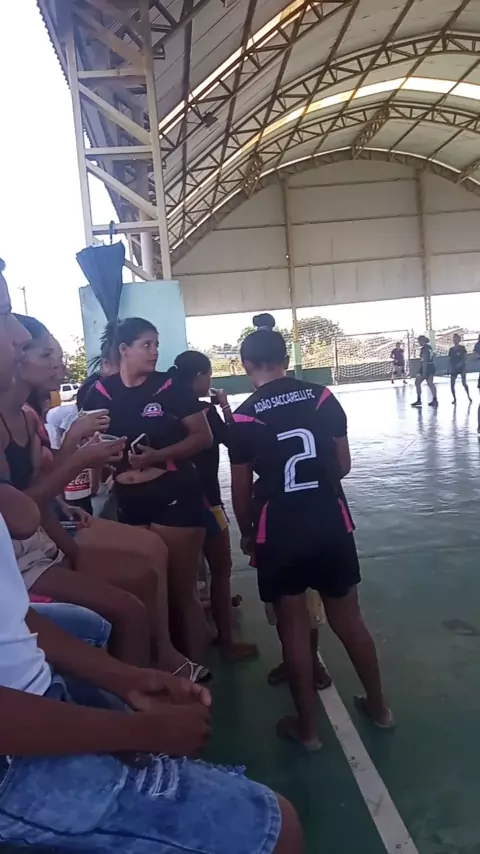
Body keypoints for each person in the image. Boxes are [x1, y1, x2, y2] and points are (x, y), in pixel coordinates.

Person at [0, 509, 302, 854]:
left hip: (36, 695)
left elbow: (12, 615)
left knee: (93, 627)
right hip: (11, 764)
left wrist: (126, 678)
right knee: (276, 828)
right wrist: (139, 731)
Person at [1, 312, 200, 677]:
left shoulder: (28, 419)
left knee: (149, 560)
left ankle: (160, 657)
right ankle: (142, 681)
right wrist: (80, 455)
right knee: (132, 599)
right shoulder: (26, 415)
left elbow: (38, 494)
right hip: (20, 556)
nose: (58, 363)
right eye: (46, 355)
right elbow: (26, 509)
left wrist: (69, 538)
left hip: (41, 540)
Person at [229, 313, 393, 750]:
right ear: (287, 359)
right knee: (349, 619)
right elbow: (343, 465)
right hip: (329, 520)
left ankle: (307, 731)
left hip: (279, 528)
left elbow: (240, 494)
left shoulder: (243, 419)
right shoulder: (322, 398)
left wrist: (247, 532)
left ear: (245, 365)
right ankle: (380, 708)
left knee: (293, 629)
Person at [82, 318, 213, 663]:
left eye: (156, 344)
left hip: (175, 495)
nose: (154, 352)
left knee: (182, 592)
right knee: (149, 593)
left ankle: (197, 671)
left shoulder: (170, 387)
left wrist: (157, 456)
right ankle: (165, 667)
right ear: (124, 350)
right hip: (129, 501)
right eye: (146, 345)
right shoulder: (100, 393)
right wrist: (101, 463)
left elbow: (203, 437)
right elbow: (90, 444)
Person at [171, 350, 258, 662]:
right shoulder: (204, 412)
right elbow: (236, 441)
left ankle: (186, 643)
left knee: (184, 577)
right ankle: (226, 643)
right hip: (207, 501)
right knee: (221, 568)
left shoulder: (167, 409)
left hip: (173, 502)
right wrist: (224, 405)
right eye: (208, 376)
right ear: (199, 377)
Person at [411, 335, 437, 408]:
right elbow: (433, 356)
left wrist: (424, 371)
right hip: (431, 366)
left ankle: (419, 399)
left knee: (418, 382)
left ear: (422, 340)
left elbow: (425, 360)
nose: (419, 342)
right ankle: (435, 399)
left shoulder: (424, 348)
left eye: (419, 341)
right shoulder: (429, 347)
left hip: (427, 367)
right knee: (430, 383)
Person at [448, 333, 471, 405]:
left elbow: (464, 358)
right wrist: (449, 368)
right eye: (454, 339)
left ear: (459, 340)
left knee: (464, 383)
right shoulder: (451, 349)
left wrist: (460, 364)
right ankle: (454, 399)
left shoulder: (462, 348)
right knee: (452, 384)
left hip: (461, 368)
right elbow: (450, 360)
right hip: (454, 368)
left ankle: (468, 396)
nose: (455, 340)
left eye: (456, 339)